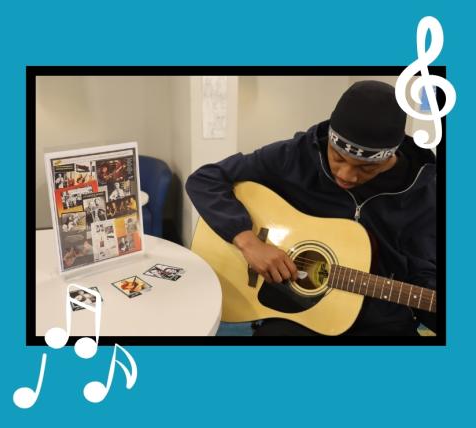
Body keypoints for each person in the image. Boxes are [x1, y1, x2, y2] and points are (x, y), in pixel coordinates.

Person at [186, 80, 437, 336]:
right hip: (297, 304)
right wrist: (249, 242)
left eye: (366, 168)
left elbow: (424, 269)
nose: (346, 175)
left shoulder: (425, 190)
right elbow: (205, 180)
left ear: (389, 158)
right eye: (337, 157)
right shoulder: (297, 155)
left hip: (381, 318)